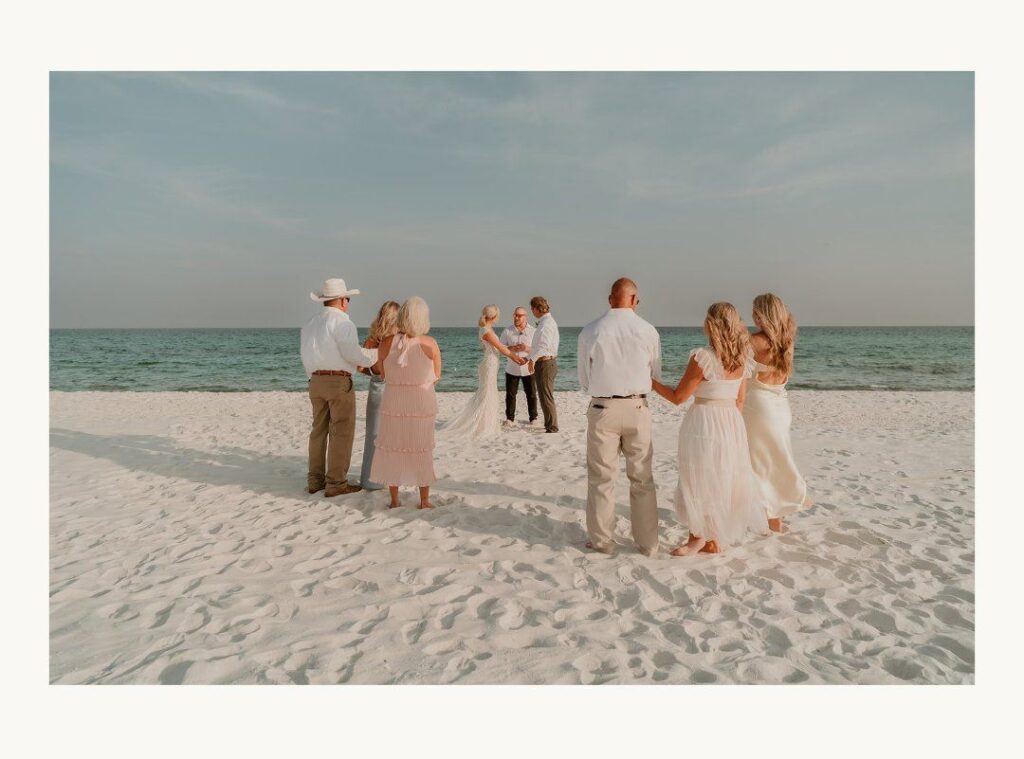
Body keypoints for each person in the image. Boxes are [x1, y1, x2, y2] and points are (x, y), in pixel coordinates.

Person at [651, 302, 769, 555]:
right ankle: (713, 538)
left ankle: (696, 538)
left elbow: (678, 397)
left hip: (704, 420)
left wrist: (651, 382)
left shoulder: (703, 358)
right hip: (731, 422)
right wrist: (729, 427)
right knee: (722, 476)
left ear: (711, 325)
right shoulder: (743, 359)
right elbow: (740, 400)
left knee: (699, 477)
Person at [577, 278, 662, 556]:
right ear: (635, 299)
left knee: (602, 478)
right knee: (642, 479)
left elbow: (584, 378)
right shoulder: (648, 330)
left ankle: (602, 541)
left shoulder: (591, 330)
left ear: (610, 299)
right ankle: (648, 543)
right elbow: (656, 373)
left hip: (603, 408)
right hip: (637, 408)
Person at [300, 278, 376, 497]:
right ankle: (336, 483)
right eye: (348, 299)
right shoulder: (343, 322)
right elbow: (352, 354)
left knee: (318, 431)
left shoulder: (310, 323)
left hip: (315, 381)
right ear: (342, 300)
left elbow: (305, 355)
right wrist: (376, 355)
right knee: (341, 432)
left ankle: (315, 481)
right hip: (338, 381)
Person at [744, 293, 813, 533]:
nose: (753, 316)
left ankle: (768, 515)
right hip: (780, 406)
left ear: (762, 315)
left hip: (757, 406)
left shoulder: (753, 341)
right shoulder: (787, 340)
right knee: (777, 458)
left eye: (755, 311)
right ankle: (775, 519)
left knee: (759, 462)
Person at [370, 297, 442, 509]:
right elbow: (436, 376)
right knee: (421, 448)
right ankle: (424, 500)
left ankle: (394, 500)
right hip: (421, 404)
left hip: (394, 403)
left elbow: (382, 374)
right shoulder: (430, 343)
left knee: (393, 447)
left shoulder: (385, 343)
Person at [445, 305, 528, 439]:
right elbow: (500, 348)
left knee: (488, 391)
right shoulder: (486, 331)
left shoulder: (487, 329)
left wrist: (513, 348)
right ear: (494, 317)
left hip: (491, 362)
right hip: (490, 363)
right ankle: (485, 423)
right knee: (488, 392)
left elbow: (499, 346)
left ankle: (487, 420)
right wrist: (516, 358)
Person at [358, 300, 400, 491]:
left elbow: (360, 367)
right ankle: (391, 476)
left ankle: (370, 480)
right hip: (395, 389)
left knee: (373, 435)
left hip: (376, 388)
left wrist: (375, 374)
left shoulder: (372, 340)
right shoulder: (399, 340)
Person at [499, 306, 538, 427]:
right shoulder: (507, 331)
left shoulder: (533, 331)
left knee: (531, 394)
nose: (516, 317)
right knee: (510, 395)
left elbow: (538, 349)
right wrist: (512, 348)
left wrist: (526, 348)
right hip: (512, 368)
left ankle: (533, 418)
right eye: (515, 315)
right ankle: (510, 419)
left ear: (525, 317)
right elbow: (500, 348)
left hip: (528, 368)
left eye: (519, 315)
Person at [527, 296, 559, 433]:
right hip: (545, 362)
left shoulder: (546, 324)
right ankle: (549, 424)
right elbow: (538, 346)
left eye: (532, 309)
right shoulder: (546, 322)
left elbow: (544, 346)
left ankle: (552, 426)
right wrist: (529, 358)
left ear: (536, 308)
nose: (532, 311)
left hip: (545, 363)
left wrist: (532, 360)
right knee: (544, 395)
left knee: (546, 396)